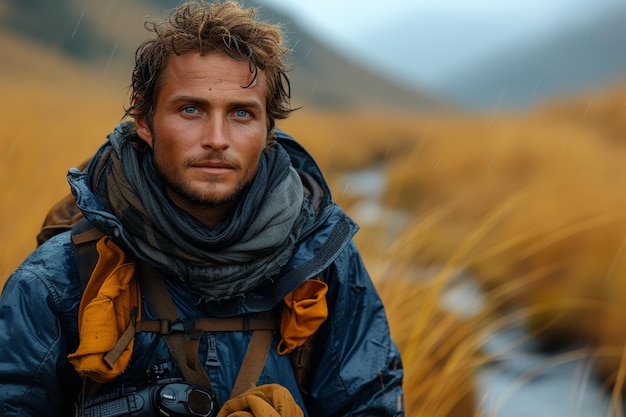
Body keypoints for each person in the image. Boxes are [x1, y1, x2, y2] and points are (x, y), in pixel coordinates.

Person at [0, 1, 404, 416]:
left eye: (242, 113)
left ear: (268, 131)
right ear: (144, 119)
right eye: (190, 109)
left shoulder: (321, 262)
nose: (216, 138)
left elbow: (370, 404)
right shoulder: (59, 279)